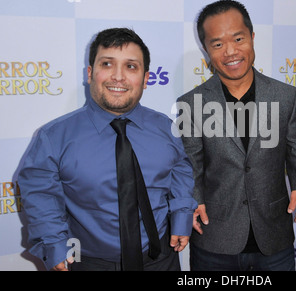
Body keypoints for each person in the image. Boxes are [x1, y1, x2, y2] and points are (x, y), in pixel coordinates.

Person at [18, 28, 197, 271]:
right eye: (107, 64)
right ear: (91, 73)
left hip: (162, 260)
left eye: (131, 67)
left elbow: (181, 171)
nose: (118, 76)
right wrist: (53, 244)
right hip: (87, 263)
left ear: (146, 78)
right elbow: (40, 195)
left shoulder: (166, 128)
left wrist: (182, 216)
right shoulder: (53, 137)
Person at [176, 0, 296, 271]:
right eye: (217, 44)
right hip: (215, 237)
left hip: (274, 234)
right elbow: (190, 164)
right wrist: (194, 199)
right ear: (206, 50)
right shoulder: (191, 103)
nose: (230, 51)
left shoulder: (286, 96)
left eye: (238, 38)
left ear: (252, 37)